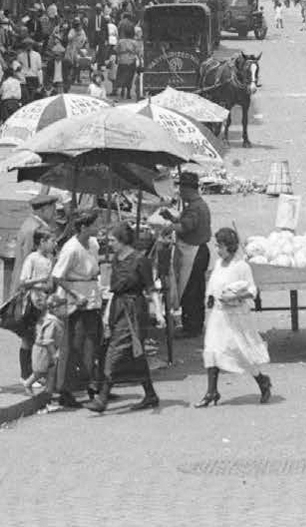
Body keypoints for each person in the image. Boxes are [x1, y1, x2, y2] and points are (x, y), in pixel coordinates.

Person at [195, 226, 272, 408]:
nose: (217, 250)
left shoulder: (241, 266)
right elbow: (214, 285)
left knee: (239, 351)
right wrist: (211, 298)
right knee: (212, 350)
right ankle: (211, 391)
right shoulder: (219, 264)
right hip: (218, 315)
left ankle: (262, 381)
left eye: (220, 246)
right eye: (216, 246)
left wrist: (235, 296)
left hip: (236, 316)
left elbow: (252, 290)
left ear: (230, 247)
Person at [88, 223, 159, 414]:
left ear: (123, 240)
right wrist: (107, 313)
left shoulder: (140, 260)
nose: (109, 243)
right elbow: (114, 290)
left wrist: (159, 313)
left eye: (112, 240)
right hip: (118, 307)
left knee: (115, 350)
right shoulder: (116, 259)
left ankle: (102, 398)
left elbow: (151, 289)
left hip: (134, 310)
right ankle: (150, 394)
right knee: (136, 354)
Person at [50, 209, 104, 409]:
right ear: (83, 227)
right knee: (73, 345)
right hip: (75, 302)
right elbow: (57, 277)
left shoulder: (93, 244)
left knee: (92, 344)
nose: (99, 228)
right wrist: (75, 295)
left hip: (91, 298)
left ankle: (91, 384)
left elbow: (95, 269)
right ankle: (65, 390)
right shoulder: (71, 249)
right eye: (95, 225)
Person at [163, 170, 212, 336]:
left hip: (195, 252)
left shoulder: (195, 208)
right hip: (198, 251)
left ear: (188, 189)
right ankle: (194, 325)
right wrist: (171, 218)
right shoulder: (196, 205)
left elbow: (185, 227)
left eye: (182, 189)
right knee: (195, 289)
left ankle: (191, 327)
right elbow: (184, 222)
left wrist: (169, 227)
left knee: (191, 291)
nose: (180, 192)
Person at [14, 227, 56, 384]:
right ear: (42, 242)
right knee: (28, 338)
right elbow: (23, 282)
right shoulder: (32, 258)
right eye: (51, 240)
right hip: (30, 303)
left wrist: (46, 285)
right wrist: (40, 281)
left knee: (42, 338)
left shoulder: (49, 259)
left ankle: (38, 373)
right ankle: (25, 374)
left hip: (43, 303)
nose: (54, 243)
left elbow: (50, 285)